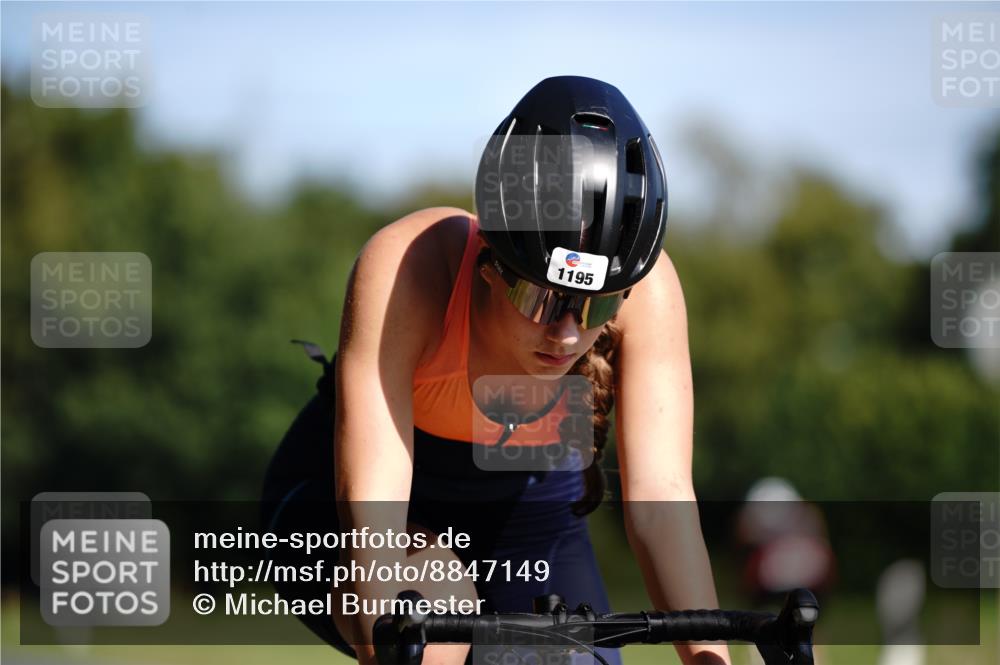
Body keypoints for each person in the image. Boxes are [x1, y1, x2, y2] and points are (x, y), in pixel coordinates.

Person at [259, 76, 731, 665]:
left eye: (597, 308)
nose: (565, 335)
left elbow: (661, 502)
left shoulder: (650, 287)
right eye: (542, 301)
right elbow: (373, 538)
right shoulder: (410, 267)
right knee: (436, 636)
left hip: (528, 511)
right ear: (490, 261)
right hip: (358, 503)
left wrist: (710, 655)